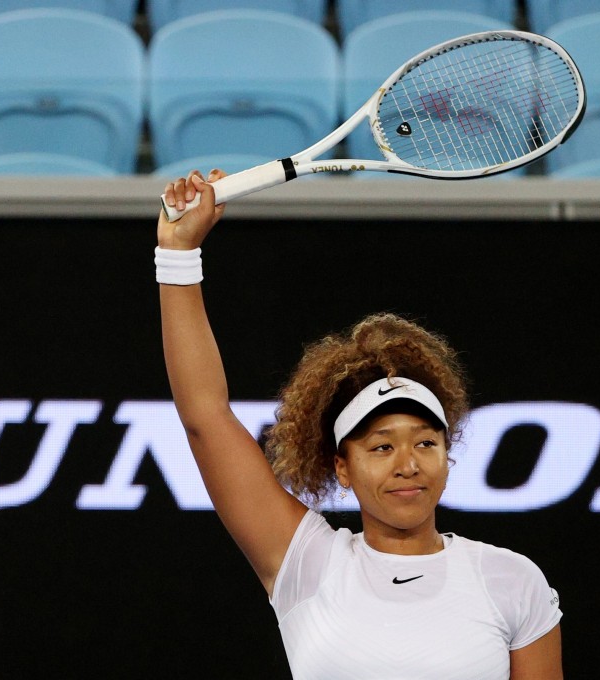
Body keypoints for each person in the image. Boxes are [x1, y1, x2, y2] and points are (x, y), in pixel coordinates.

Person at [157, 169, 563, 679]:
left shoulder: (512, 580)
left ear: (447, 454)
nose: (409, 464)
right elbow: (204, 417)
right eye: (380, 447)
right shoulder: (307, 563)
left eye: (425, 442)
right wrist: (177, 253)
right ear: (341, 467)